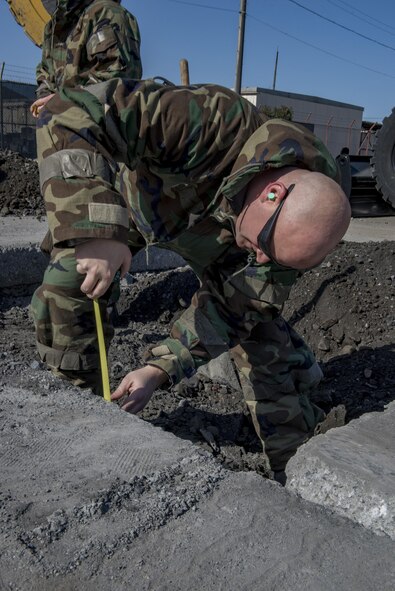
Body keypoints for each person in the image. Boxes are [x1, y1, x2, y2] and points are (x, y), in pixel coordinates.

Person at [32, 78, 351, 481]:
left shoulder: (294, 234)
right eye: (266, 245)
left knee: (262, 337)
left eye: (275, 258)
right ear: (271, 193)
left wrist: (158, 370)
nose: (261, 259)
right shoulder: (210, 120)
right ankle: (82, 422)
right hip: (141, 207)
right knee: (69, 281)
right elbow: (68, 110)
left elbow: (234, 310)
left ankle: (296, 467)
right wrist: (97, 232)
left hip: (214, 243)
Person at [30, 0, 142, 118]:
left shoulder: (106, 12)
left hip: (101, 129)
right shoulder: (52, 28)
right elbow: (45, 73)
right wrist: (45, 101)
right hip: (63, 128)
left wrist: (61, 102)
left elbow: (116, 83)